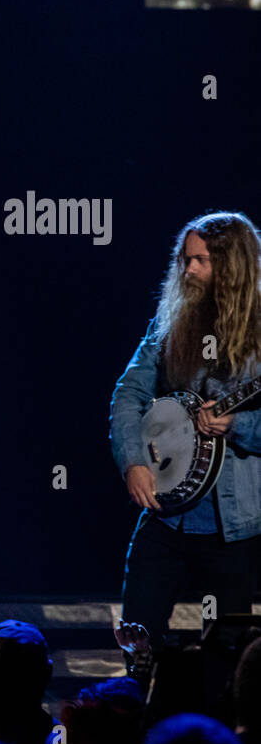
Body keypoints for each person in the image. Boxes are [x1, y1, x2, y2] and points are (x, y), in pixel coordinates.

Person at [109, 211, 261, 655]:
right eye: (185, 260)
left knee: (225, 651)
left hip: (234, 529)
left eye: (201, 261)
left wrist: (239, 424)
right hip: (166, 514)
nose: (187, 270)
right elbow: (127, 393)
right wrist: (134, 461)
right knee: (137, 638)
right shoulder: (171, 322)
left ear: (232, 266)